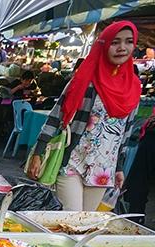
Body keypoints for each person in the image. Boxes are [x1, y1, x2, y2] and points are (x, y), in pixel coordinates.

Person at [27, 21, 141, 212]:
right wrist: (38, 152)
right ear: (104, 44)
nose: (122, 48)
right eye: (115, 42)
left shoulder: (134, 88)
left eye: (128, 42)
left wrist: (119, 167)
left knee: (84, 225)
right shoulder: (85, 80)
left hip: (103, 169)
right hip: (73, 161)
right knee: (70, 218)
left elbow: (125, 134)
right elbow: (57, 116)